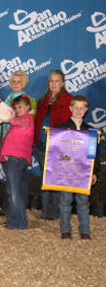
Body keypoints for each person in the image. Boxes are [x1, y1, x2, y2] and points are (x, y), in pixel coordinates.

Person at [55, 95, 99, 240]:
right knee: (65, 202)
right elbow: (55, 152)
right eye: (76, 108)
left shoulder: (91, 131)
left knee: (83, 202)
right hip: (66, 173)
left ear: (86, 110)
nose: (79, 110)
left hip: (83, 173)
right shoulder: (61, 129)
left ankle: (85, 231)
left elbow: (94, 155)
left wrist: (94, 172)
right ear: (71, 108)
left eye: (82, 108)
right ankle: (65, 230)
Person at [0, 70, 36, 215]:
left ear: (24, 83)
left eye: (19, 82)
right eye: (13, 81)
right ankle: (11, 207)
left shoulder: (27, 100)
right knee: (13, 180)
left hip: (16, 147)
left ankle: (17, 210)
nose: (15, 84)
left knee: (17, 182)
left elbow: (27, 123)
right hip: (4, 142)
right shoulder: (7, 99)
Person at [0, 95, 34, 230]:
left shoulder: (27, 119)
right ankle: (11, 221)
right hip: (12, 158)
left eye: (20, 107)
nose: (17, 110)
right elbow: (9, 143)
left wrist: (4, 114)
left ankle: (19, 223)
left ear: (27, 107)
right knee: (11, 191)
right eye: (15, 107)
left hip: (15, 159)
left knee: (14, 192)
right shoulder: (18, 123)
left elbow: (15, 121)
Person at [34, 70, 72, 220]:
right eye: (51, 81)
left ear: (62, 83)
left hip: (58, 145)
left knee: (55, 179)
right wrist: (35, 142)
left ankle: (54, 212)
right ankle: (45, 211)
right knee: (45, 179)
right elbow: (37, 121)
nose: (54, 84)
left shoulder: (69, 100)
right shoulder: (42, 100)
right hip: (42, 145)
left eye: (57, 81)